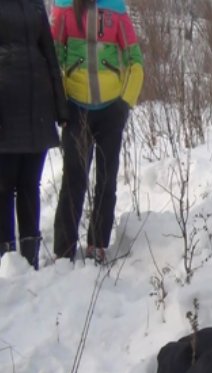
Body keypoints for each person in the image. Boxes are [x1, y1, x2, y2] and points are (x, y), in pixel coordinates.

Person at [50, 0, 144, 263]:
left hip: (110, 110)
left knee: (106, 179)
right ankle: (64, 249)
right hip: (75, 110)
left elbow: (135, 61)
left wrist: (125, 104)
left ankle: (98, 244)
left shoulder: (116, 7)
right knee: (73, 179)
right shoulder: (63, 6)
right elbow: (54, 58)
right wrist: (61, 105)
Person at [0, 0, 69, 269]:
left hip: (37, 105)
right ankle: (6, 261)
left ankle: (29, 260)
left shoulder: (35, 4)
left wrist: (60, 106)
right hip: (6, 105)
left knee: (30, 185)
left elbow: (50, 56)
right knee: (3, 187)